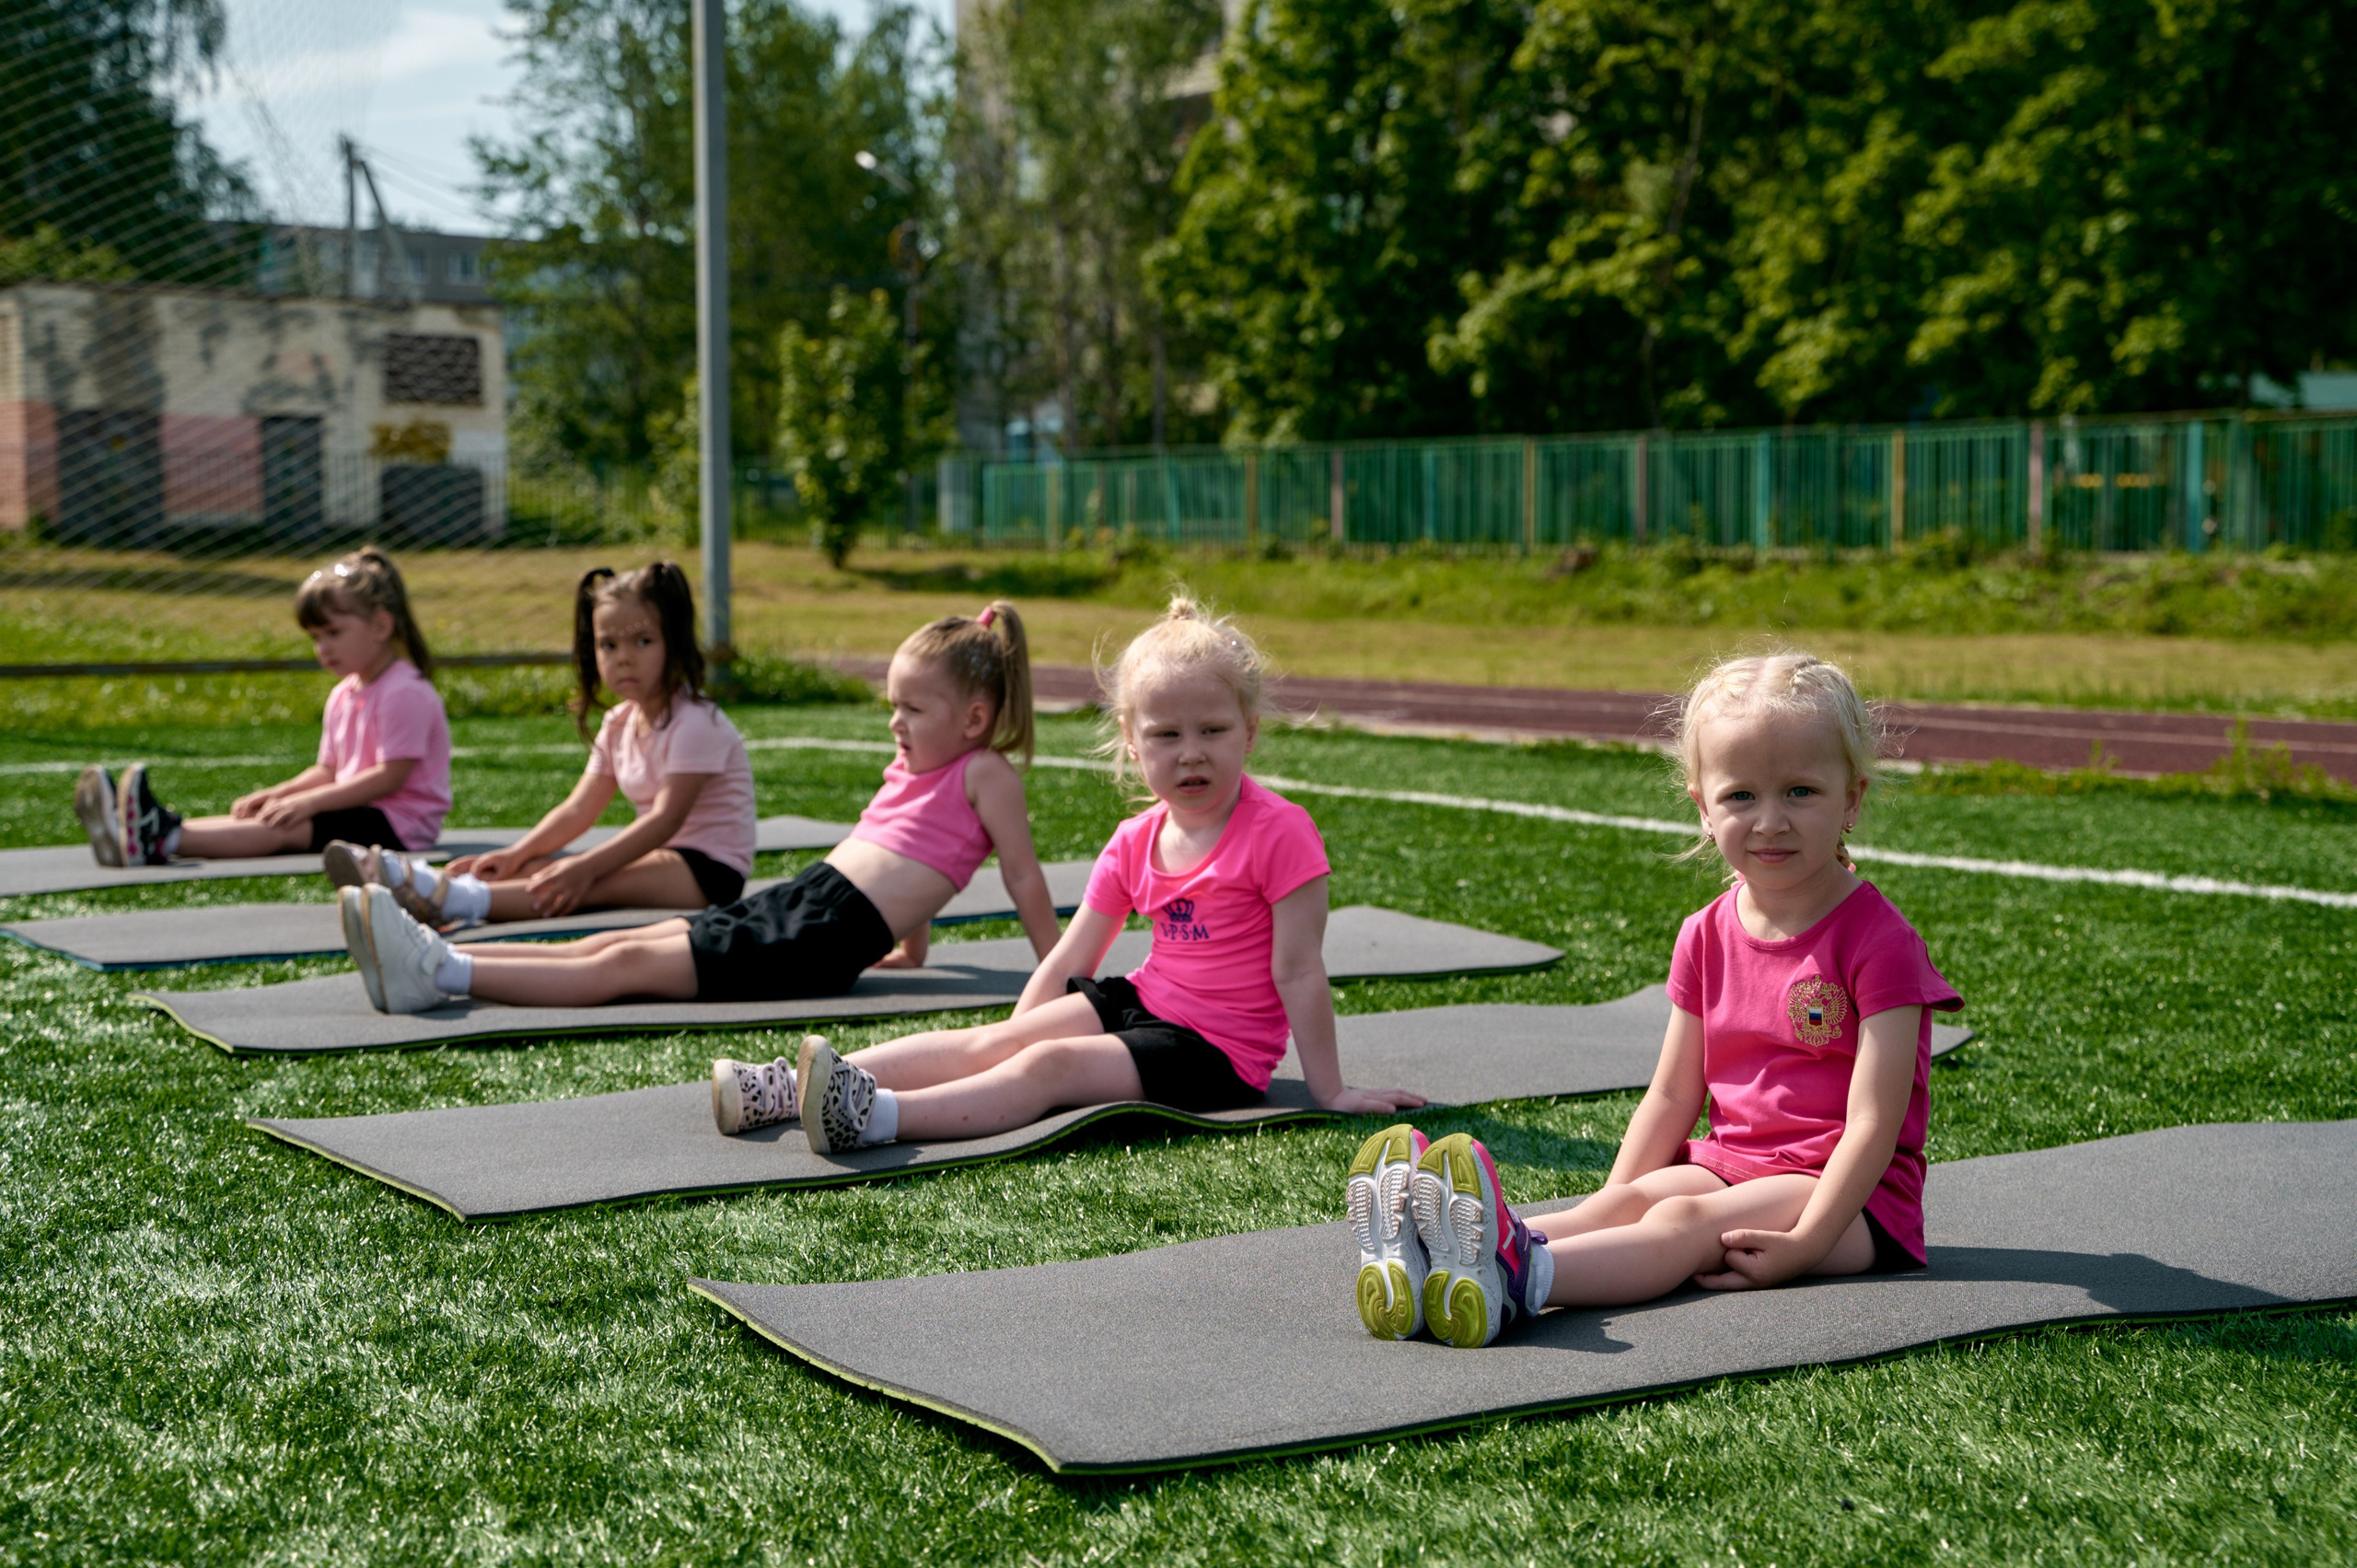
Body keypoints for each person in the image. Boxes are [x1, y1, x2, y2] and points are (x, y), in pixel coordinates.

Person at [1348, 651, 1962, 1349]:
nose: (1769, 821)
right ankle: (1447, 1260)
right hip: (1728, 1164)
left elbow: (1873, 1125)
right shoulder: (1705, 932)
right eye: (1741, 796)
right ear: (1703, 806)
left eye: (1800, 792)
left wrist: (1808, 1241)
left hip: (1848, 1200)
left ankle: (1522, 1278)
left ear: (1851, 798)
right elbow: (1672, 1096)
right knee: (1636, 1200)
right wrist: (1614, 1206)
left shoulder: (1881, 941)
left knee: (1683, 1226)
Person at [748, 593, 1424, 1156]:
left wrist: (1328, 1089)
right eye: (1166, 735)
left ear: (1249, 730)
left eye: (1212, 730)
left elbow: (1298, 971)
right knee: (1005, 1041)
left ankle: (873, 1116)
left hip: (1216, 1053)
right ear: (1133, 742)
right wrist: (1008, 1038)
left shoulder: (1281, 832)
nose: (1191, 753)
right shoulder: (1136, 839)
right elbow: (1074, 952)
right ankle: (788, 1088)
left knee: (1049, 1068)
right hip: (1143, 1002)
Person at [338, 601, 1059, 1024]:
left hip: (819, 937)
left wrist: (1052, 974)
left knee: (624, 966)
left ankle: (441, 972)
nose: (895, 722)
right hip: (809, 899)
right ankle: (445, 957)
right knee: (618, 942)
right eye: (893, 706)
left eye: (913, 708)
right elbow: (913, 859)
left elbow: (1024, 879)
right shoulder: (918, 766)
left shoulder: (987, 773)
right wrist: (912, 950)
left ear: (973, 718)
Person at [332, 563, 754, 925]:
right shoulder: (618, 722)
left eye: (643, 641)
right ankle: (434, 890)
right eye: (608, 644)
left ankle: (450, 900)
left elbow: (666, 820)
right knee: (540, 869)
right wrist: (516, 855)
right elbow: (578, 809)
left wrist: (584, 867)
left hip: (707, 871)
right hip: (664, 860)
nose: (623, 657)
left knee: (585, 882)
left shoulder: (696, 723)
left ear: (675, 643)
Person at [73, 547, 449, 867]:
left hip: (399, 825)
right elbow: (329, 769)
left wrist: (308, 803)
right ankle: (151, 831)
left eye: (333, 633)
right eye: (315, 638)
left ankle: (164, 842)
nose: (323, 649)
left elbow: (389, 778)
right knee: (270, 814)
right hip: (359, 809)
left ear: (381, 626)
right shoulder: (343, 693)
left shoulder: (404, 691)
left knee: (286, 828)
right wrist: (282, 793)